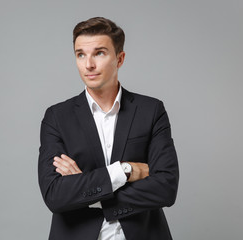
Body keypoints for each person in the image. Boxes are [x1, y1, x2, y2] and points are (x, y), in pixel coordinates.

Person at [38, 17, 179, 240]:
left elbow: (166, 187)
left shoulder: (151, 111)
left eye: (99, 53)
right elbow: (55, 195)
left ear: (120, 59)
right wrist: (124, 171)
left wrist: (87, 192)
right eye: (80, 54)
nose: (88, 65)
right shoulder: (57, 117)